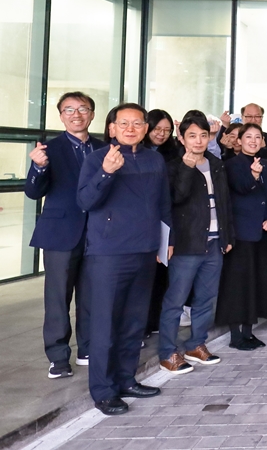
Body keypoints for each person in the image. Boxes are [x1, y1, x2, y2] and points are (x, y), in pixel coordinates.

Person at [77, 102, 171, 416]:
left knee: (134, 323)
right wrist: (106, 172)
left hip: (145, 250)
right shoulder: (96, 159)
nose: (130, 129)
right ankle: (103, 391)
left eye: (137, 123)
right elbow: (85, 201)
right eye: (124, 123)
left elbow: (163, 203)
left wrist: (166, 242)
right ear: (111, 128)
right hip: (109, 253)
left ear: (145, 128)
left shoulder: (154, 159)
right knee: (105, 325)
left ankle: (126, 380)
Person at [26, 91, 104, 379]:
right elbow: (33, 192)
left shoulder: (105, 148)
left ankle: (88, 349)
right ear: (61, 116)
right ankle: (58, 357)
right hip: (60, 234)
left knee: (92, 295)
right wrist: (38, 167)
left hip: (97, 234)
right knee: (58, 298)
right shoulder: (48, 149)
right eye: (69, 110)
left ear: (92, 114)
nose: (76, 114)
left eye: (82, 109)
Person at [158, 112, 234, 376]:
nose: (199, 141)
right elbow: (175, 199)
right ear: (181, 138)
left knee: (205, 299)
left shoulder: (216, 164)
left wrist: (227, 237)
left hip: (214, 242)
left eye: (204, 135)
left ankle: (195, 345)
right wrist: (187, 168)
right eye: (192, 135)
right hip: (186, 244)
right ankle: (167, 352)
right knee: (175, 301)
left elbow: (224, 202)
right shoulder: (173, 166)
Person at [217, 123, 267, 351]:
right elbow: (241, 188)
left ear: (262, 141)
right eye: (248, 137)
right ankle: (236, 336)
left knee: (256, 283)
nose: (253, 141)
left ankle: (248, 332)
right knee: (237, 286)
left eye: (257, 137)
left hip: (262, 234)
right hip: (240, 235)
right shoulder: (231, 165)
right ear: (239, 141)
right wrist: (253, 176)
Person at [143, 108, 180, 337]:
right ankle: (142, 324)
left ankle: (154, 321)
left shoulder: (173, 153)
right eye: (157, 129)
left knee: (161, 274)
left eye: (167, 130)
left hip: (166, 219)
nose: (162, 134)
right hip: (143, 221)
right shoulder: (138, 151)